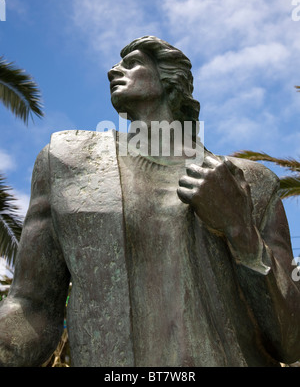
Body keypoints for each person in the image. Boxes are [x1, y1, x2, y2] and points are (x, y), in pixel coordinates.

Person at [0, 36, 299, 367]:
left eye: (132, 63)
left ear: (169, 79)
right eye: (117, 63)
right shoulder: (68, 162)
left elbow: (291, 342)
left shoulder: (249, 181)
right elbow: (30, 307)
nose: (114, 70)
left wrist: (240, 230)